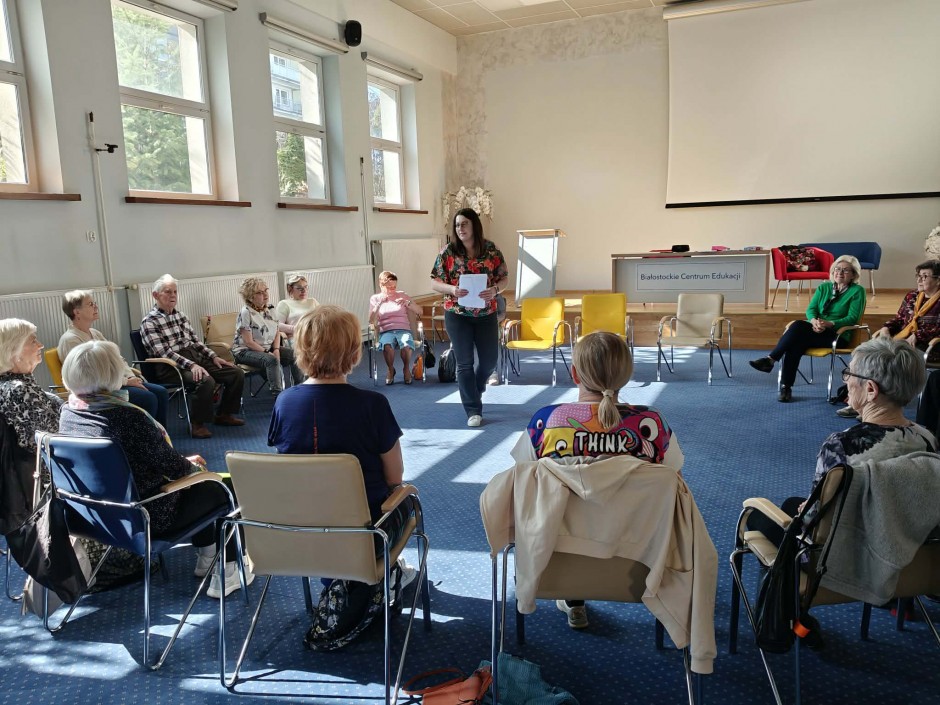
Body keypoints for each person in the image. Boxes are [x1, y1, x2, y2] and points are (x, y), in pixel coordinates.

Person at [511, 331, 683, 629]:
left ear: (574, 373)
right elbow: (674, 485)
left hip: (555, 560)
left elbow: (523, 483)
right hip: (638, 564)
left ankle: (573, 597)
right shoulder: (653, 426)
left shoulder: (545, 424)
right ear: (626, 375)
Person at [58, 340, 254, 599]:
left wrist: (183, 463)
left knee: (200, 481)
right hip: (147, 517)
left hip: (94, 517)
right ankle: (228, 572)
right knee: (222, 486)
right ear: (112, 373)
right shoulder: (128, 418)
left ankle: (208, 556)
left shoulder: (69, 413)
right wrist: (192, 466)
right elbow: (175, 469)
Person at [267, 306, 414, 575]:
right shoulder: (373, 405)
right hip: (367, 534)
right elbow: (395, 478)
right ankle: (389, 575)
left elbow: (287, 466)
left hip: (300, 531)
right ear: (354, 352)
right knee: (407, 499)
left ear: (300, 350)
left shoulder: (284, 402)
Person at [140, 274, 245, 439]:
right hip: (170, 366)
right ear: (155, 295)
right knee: (205, 380)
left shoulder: (181, 316)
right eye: (168, 292)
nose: (173, 295)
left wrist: (213, 356)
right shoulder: (149, 322)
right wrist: (192, 365)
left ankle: (224, 414)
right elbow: (163, 352)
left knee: (235, 373)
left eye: (175, 292)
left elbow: (196, 342)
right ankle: (197, 424)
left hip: (194, 357)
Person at [430, 208, 509, 427]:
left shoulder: (491, 250)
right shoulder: (448, 251)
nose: (460, 228)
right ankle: (473, 410)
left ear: (474, 225)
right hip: (457, 314)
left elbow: (504, 278)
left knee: (489, 361)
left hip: (486, 313)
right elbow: (434, 281)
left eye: (464, 223)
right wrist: (452, 289)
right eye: (457, 225)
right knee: (464, 363)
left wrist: (495, 290)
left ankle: (476, 388)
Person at [749, 254, 866, 402]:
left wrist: (829, 323)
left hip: (838, 335)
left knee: (797, 327)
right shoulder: (824, 287)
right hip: (815, 330)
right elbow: (811, 310)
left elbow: (852, 318)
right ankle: (786, 387)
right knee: (796, 343)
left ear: (854, 275)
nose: (840, 273)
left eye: (845, 270)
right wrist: (814, 321)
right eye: (837, 269)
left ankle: (771, 361)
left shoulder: (857, 291)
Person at [56, 290, 169, 428]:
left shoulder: (95, 333)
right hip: (97, 391)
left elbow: (117, 359)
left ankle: (161, 436)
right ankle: (146, 437)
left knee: (161, 392)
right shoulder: (70, 340)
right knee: (148, 398)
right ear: (77, 312)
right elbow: (90, 376)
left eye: (94, 303)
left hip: (114, 382)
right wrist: (126, 381)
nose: (96, 306)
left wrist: (131, 377)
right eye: (90, 304)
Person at [0, 318, 62, 455]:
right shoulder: (19, 390)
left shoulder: (11, 385)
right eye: (33, 341)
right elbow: (55, 438)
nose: (41, 345)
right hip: (46, 465)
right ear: (14, 351)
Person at [232, 277, 303, 394]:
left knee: (296, 355)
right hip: (244, 351)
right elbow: (249, 342)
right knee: (271, 360)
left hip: (266, 347)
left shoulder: (271, 308)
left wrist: (276, 349)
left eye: (266, 290)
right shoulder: (246, 312)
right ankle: (278, 395)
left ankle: (300, 390)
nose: (265, 294)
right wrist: (268, 353)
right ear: (250, 296)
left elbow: (276, 331)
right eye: (260, 292)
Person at [369, 271, 424, 385]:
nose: (392, 290)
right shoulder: (375, 298)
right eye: (389, 287)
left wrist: (408, 303)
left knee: (406, 344)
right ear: (381, 285)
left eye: (394, 287)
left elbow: (420, 311)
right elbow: (371, 320)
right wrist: (379, 304)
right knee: (387, 346)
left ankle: (406, 369)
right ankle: (390, 369)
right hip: (386, 331)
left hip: (403, 329)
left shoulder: (402, 295)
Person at [275, 274, 319, 349]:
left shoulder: (313, 301)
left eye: (305, 287)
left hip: (315, 335)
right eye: (299, 288)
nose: (304, 290)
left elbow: (323, 318)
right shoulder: (284, 304)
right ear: (290, 289)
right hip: (298, 338)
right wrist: (299, 329)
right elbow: (277, 325)